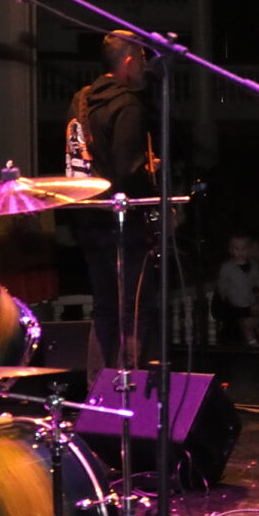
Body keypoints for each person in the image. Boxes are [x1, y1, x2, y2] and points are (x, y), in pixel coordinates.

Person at [65, 33, 159, 369]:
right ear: (130, 61)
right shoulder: (127, 105)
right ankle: (128, 387)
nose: (146, 68)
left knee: (104, 307)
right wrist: (149, 171)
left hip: (87, 218)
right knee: (134, 309)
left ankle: (98, 389)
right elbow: (127, 172)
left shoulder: (81, 100)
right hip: (122, 224)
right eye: (143, 60)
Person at [214, 233, 259, 347]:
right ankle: (252, 342)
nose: (240, 252)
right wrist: (222, 291)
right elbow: (222, 281)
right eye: (237, 248)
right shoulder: (227, 267)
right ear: (230, 250)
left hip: (252, 300)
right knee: (245, 324)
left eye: (244, 248)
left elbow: (258, 279)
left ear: (248, 250)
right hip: (237, 302)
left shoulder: (254, 265)